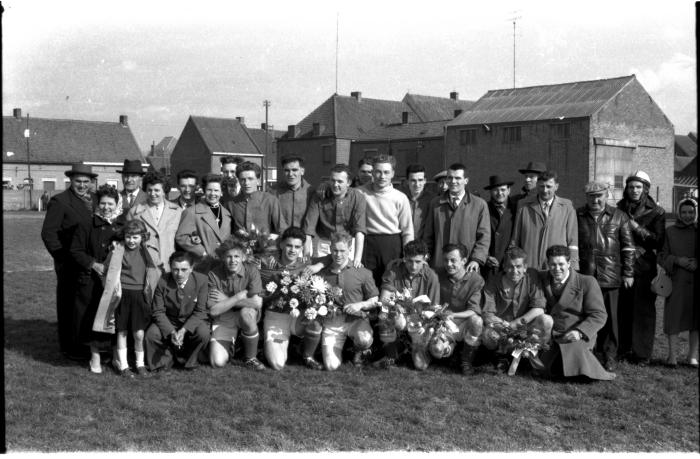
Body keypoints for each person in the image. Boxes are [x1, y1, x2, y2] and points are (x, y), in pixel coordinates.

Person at [41, 163, 98, 360]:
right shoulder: (61, 201)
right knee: (68, 305)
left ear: (91, 183)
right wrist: (63, 259)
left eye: (85, 182)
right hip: (69, 262)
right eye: (78, 182)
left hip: (89, 260)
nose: (82, 185)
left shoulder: (95, 200)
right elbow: (49, 233)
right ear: (70, 181)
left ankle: (86, 343)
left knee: (86, 304)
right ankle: (70, 348)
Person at [576, 181, 635, 371]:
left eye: (599, 195)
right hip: (585, 276)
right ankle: (590, 352)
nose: (596, 199)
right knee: (586, 316)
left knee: (611, 319)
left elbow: (628, 247)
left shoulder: (619, 216)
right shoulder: (577, 216)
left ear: (606, 195)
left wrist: (628, 273)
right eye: (591, 196)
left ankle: (610, 355)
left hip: (610, 276)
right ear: (586, 197)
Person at [93, 220, 161, 377]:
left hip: (140, 295)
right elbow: (106, 269)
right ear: (124, 236)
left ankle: (140, 365)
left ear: (142, 237)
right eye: (129, 236)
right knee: (122, 331)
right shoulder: (117, 251)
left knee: (139, 333)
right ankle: (124, 366)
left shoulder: (147, 252)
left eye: (135, 237)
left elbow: (154, 271)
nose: (131, 240)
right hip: (122, 295)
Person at [69, 184, 125, 373]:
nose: (106, 207)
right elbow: (75, 250)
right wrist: (94, 264)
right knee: (93, 318)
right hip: (91, 282)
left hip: (114, 282)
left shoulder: (121, 226)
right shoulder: (86, 224)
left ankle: (114, 354)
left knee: (114, 318)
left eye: (110, 203)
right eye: (103, 203)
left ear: (116, 204)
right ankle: (95, 356)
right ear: (97, 204)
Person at [538, 245, 615, 380]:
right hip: (550, 334)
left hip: (576, 333)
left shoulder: (587, 282)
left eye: (561, 264)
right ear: (547, 264)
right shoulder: (541, 278)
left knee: (574, 365)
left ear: (569, 263)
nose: (557, 269)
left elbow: (599, 315)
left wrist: (580, 332)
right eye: (552, 264)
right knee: (547, 367)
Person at [259, 226, 327, 371]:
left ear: (302, 248)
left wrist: (318, 266)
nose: (292, 250)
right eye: (289, 245)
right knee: (278, 364)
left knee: (315, 320)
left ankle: (307, 355)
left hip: (298, 317)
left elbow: (331, 257)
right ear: (281, 244)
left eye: (297, 247)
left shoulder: (305, 262)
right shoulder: (266, 262)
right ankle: (267, 345)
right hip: (275, 318)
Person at [616, 170, 666, 365]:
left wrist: (636, 228)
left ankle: (642, 353)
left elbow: (658, 241)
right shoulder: (619, 208)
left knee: (643, 311)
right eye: (631, 187)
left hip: (644, 266)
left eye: (638, 187)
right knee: (623, 309)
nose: (634, 190)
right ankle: (623, 348)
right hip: (622, 264)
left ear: (645, 189)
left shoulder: (657, 212)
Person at [481, 247, 552, 370]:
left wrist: (517, 324)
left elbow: (539, 308)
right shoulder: (493, 281)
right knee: (488, 335)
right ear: (504, 266)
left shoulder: (532, 277)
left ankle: (531, 356)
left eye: (518, 266)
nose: (514, 271)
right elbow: (487, 314)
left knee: (546, 320)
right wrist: (507, 326)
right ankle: (500, 355)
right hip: (501, 328)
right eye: (510, 266)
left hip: (524, 327)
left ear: (525, 267)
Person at [375, 240, 440, 369]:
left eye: (418, 262)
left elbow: (434, 308)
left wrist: (423, 318)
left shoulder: (431, 276)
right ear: (404, 257)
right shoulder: (394, 271)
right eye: (410, 261)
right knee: (385, 315)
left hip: (420, 321)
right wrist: (395, 306)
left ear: (425, 259)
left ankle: (412, 348)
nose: (414, 266)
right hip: (399, 315)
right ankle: (391, 355)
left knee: (420, 366)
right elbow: (384, 300)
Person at [318, 232, 378, 370]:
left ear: (350, 249)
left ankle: (357, 351)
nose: (338, 255)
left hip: (356, 320)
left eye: (342, 251)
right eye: (335, 250)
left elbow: (375, 299)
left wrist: (360, 305)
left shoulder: (362, 272)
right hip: (332, 323)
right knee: (331, 366)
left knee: (364, 339)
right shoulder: (322, 274)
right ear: (330, 249)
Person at [145, 251, 211, 372]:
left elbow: (201, 311)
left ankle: (191, 361)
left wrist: (184, 329)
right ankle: (163, 362)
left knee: (204, 333)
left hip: (191, 319)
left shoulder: (202, 280)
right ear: (170, 267)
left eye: (184, 269)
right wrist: (171, 331)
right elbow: (158, 311)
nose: (179, 274)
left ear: (191, 268)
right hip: (169, 319)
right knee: (152, 334)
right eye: (175, 269)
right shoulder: (163, 281)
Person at [207, 237, 265, 370]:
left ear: (243, 257)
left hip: (245, 312)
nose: (233, 260)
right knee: (217, 362)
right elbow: (214, 311)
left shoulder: (251, 270)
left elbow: (257, 303)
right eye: (228, 257)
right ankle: (236, 344)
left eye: (236, 256)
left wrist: (226, 299)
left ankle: (250, 358)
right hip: (224, 316)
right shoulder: (214, 274)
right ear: (222, 258)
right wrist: (237, 297)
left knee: (247, 315)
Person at [357, 155, 414, 286]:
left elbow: (407, 231)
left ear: (393, 173)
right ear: (372, 172)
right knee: (368, 283)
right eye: (378, 171)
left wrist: (407, 255)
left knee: (392, 284)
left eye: (386, 172)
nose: (382, 176)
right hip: (368, 244)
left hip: (392, 245)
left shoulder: (400, 198)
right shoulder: (359, 193)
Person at [423, 163, 490, 272]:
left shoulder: (479, 205)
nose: (453, 181)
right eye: (450, 178)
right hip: (440, 266)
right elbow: (428, 236)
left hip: (467, 266)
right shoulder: (435, 204)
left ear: (466, 180)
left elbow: (484, 237)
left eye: (458, 178)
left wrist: (476, 259)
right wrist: (425, 257)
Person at [510, 170, 579, 271]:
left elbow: (573, 241)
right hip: (530, 266)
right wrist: (513, 263)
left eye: (549, 186)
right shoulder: (523, 205)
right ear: (537, 186)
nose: (545, 190)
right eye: (541, 186)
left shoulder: (567, 207)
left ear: (556, 186)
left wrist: (573, 267)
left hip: (557, 268)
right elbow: (515, 238)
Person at [658, 198, 698, 367]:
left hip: (696, 281)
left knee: (696, 321)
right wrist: (677, 260)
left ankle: (692, 356)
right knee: (673, 319)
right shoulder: (670, 232)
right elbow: (661, 256)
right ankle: (672, 356)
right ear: (678, 213)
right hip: (677, 281)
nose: (687, 216)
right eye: (684, 212)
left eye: (691, 212)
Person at [303, 163, 367, 263]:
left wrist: (357, 258)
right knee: (322, 276)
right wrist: (306, 254)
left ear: (348, 182)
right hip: (325, 245)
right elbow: (309, 227)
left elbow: (360, 229)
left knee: (347, 276)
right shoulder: (319, 196)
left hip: (347, 245)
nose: (335, 184)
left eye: (340, 181)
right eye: (332, 180)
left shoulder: (358, 198)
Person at [127, 171, 183, 273]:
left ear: (164, 191)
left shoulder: (177, 212)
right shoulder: (134, 213)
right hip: (144, 267)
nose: (153, 194)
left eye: (157, 190)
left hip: (169, 268)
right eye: (149, 190)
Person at [175, 174, 232, 272]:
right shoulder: (191, 212)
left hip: (222, 267)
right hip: (202, 265)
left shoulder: (227, 214)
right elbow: (181, 237)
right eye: (209, 190)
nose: (212, 193)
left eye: (216, 190)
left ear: (222, 192)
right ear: (204, 191)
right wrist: (202, 252)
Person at [227, 161, 286, 236]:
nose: (246, 183)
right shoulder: (231, 204)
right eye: (243, 179)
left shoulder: (270, 200)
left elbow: (282, 229)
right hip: (239, 246)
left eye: (250, 179)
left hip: (265, 245)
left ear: (258, 180)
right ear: (238, 180)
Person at [483, 175, 517, 278]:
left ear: (509, 190)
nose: (499, 193)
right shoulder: (483, 208)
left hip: (510, 264)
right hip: (488, 266)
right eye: (495, 190)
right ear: (490, 191)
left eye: (503, 189)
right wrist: (485, 256)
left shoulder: (517, 209)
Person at [274, 155, 314, 229]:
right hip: (281, 238)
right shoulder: (273, 192)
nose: (290, 174)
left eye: (294, 170)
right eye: (287, 170)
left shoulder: (312, 193)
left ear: (302, 171)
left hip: (305, 238)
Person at [399, 164, 434, 241]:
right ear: (407, 181)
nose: (417, 184)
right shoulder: (400, 198)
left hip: (425, 246)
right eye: (413, 180)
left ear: (425, 181)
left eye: (420, 180)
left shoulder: (432, 200)